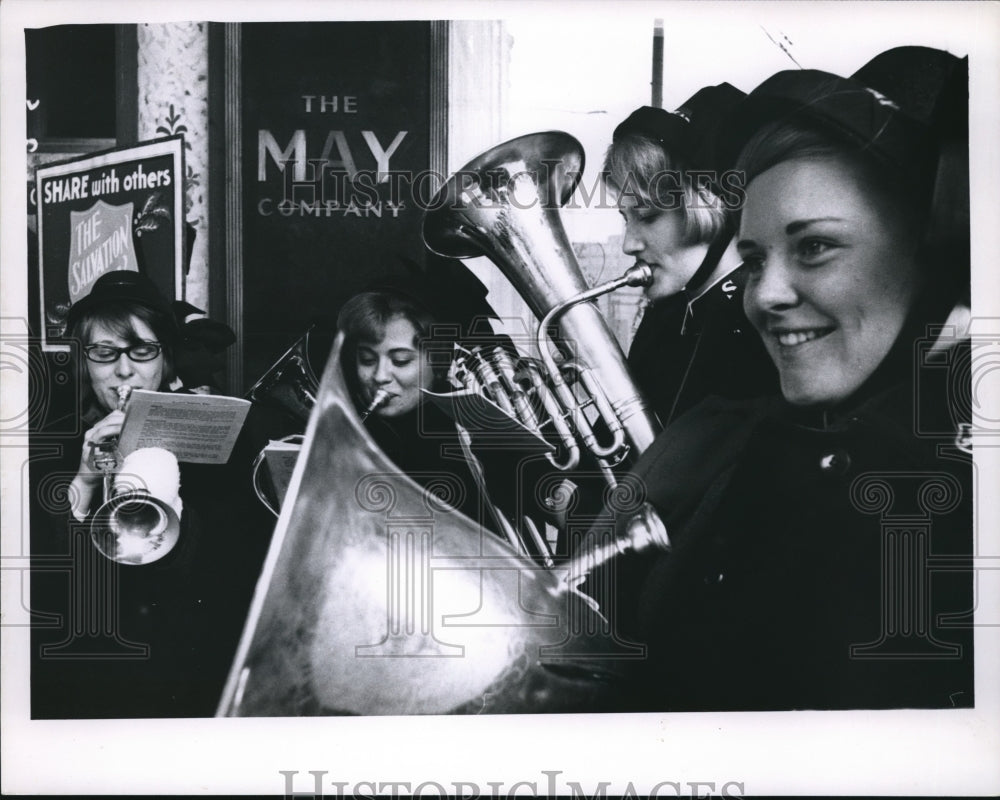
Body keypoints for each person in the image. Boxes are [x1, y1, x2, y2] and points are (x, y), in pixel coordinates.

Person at [599, 47, 973, 711]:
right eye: (753, 258)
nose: (764, 294)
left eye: (814, 247)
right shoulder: (775, 445)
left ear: (935, 257)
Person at [30, 270, 269, 718]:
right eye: (104, 353)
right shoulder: (47, 445)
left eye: (142, 351)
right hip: (89, 681)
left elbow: (234, 577)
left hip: (188, 676)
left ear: (166, 359)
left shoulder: (228, 439)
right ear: (84, 361)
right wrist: (83, 479)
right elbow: (43, 588)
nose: (125, 370)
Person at [604, 85, 777, 425]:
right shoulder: (667, 316)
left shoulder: (760, 330)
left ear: (707, 205)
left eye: (648, 216)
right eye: (626, 219)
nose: (629, 245)